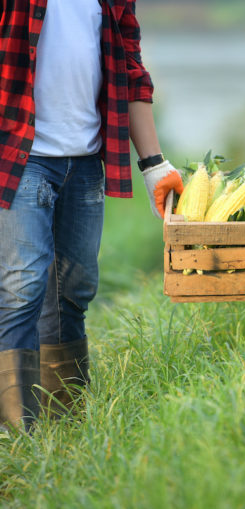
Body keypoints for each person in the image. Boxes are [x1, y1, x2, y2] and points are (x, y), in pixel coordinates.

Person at [0, 0, 183, 431]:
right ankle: (16, 433)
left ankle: (65, 423)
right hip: (19, 156)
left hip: (84, 162)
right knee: (22, 287)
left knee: (73, 288)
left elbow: (132, 75)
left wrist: (154, 164)